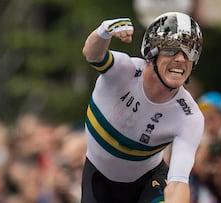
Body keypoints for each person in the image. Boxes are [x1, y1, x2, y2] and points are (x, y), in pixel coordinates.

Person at [81, 12, 204, 203]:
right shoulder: (124, 70)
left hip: (148, 182)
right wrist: (104, 31)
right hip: (98, 179)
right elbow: (92, 54)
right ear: (151, 52)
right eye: (172, 49)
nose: (181, 59)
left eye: (190, 50)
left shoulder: (189, 116)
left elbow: (178, 182)